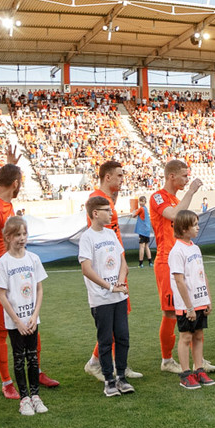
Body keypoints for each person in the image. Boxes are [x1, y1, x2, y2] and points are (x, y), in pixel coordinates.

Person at [0, 157, 58, 398]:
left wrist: (10, 165)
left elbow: (4, 180)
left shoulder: (4, 200)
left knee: (31, 324)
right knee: (2, 330)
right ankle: (7, 382)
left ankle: (36, 372)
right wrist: (2, 280)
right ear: (15, 184)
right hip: (1, 278)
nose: (21, 186)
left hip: (20, 274)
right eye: (20, 182)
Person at [150, 159, 210, 374]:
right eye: (184, 176)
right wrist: (192, 191)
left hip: (183, 259)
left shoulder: (174, 198)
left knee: (193, 306)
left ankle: (198, 360)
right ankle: (167, 360)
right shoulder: (158, 196)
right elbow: (174, 215)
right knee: (170, 312)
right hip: (167, 261)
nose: (187, 179)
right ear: (171, 176)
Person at [85, 161, 142, 381]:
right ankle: (99, 364)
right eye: (119, 175)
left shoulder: (107, 200)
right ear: (107, 177)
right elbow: (97, 237)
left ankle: (119, 365)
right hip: (107, 274)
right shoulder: (96, 200)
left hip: (117, 269)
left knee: (120, 319)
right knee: (111, 322)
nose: (122, 179)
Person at [78, 196, 133, 397]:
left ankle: (122, 377)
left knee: (122, 337)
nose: (111, 214)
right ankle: (109, 380)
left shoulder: (111, 234)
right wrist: (110, 287)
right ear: (95, 213)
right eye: (107, 210)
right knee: (105, 340)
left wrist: (120, 282)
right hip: (101, 299)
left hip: (119, 296)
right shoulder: (87, 238)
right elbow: (86, 269)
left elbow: (123, 263)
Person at [0, 216, 48, 416]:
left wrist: (35, 315)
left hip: (32, 320)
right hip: (15, 322)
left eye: (24, 234)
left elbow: (39, 289)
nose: (22, 238)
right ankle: (24, 399)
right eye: (17, 235)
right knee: (19, 359)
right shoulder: (4, 263)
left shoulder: (33, 258)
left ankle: (36, 396)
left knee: (33, 358)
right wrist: (17, 321)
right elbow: (2, 295)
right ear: (7, 237)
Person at [169, 210, 214, 390]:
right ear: (184, 228)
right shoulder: (177, 251)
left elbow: (202, 275)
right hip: (186, 304)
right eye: (195, 224)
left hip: (200, 301)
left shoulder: (195, 248)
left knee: (199, 335)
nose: (198, 227)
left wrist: (208, 298)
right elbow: (179, 280)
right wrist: (188, 307)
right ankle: (185, 373)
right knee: (186, 336)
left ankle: (199, 369)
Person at [130, 195, 153, 268]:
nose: (141, 202)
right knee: (147, 246)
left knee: (142, 247)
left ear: (145, 202)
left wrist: (133, 212)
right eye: (140, 201)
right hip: (147, 231)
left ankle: (141, 263)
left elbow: (134, 215)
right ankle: (150, 262)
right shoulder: (146, 209)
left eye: (142, 201)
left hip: (142, 231)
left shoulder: (141, 209)